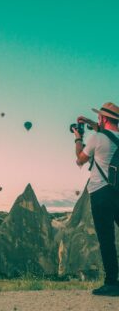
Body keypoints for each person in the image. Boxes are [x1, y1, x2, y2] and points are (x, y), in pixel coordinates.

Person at [72, 102, 119, 296]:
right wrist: (90, 122)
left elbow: (80, 160)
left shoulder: (96, 138)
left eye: (100, 117)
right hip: (117, 190)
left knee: (106, 238)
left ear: (104, 118)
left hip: (100, 193)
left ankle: (112, 283)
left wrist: (78, 138)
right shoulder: (111, 136)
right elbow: (106, 132)